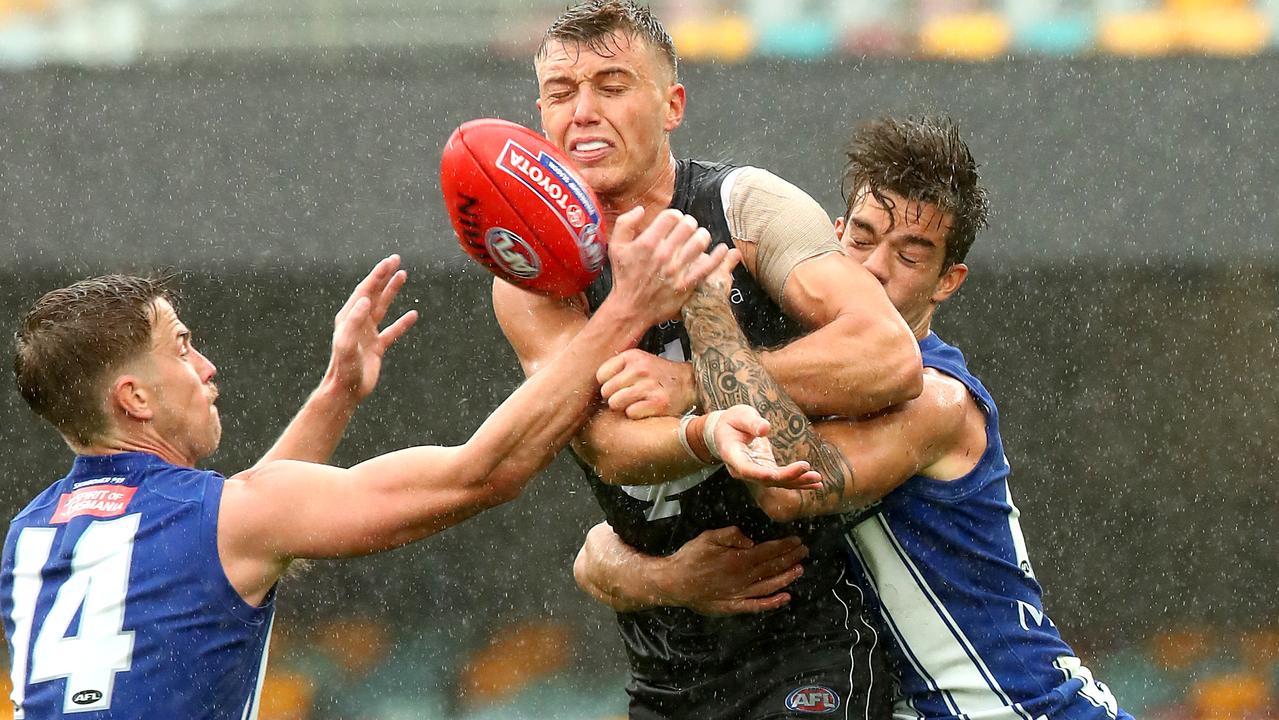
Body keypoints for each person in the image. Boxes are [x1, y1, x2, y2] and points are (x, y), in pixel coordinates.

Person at [0, 211, 807, 719]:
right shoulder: (230, 516)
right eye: (182, 347)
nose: (206, 366)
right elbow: (481, 473)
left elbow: (244, 534)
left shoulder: (30, 537)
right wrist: (626, 310)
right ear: (135, 399)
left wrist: (336, 394)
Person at [577, 117, 1134, 720]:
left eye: (911, 255)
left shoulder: (937, 401)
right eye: (863, 239)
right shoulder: (800, 369)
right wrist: (655, 572)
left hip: (1015, 706)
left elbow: (785, 489)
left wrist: (702, 330)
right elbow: (603, 552)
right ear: (832, 235)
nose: (875, 267)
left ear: (949, 281)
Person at [493, 2, 923, 717]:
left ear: (671, 104)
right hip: (666, 673)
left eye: (612, 84)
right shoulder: (530, 274)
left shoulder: (745, 206)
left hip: (812, 640)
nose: (585, 112)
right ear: (540, 113)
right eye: (563, 94)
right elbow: (607, 447)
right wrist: (704, 434)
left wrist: (694, 383)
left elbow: (887, 354)